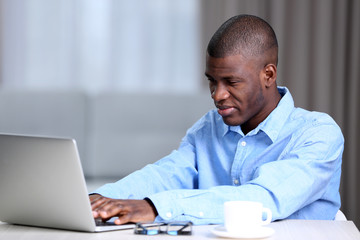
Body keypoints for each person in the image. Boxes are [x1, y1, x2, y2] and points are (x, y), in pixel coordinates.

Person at [90, 14, 344, 225]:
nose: (218, 95)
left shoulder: (318, 134)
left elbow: (264, 198)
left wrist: (155, 208)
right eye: (212, 81)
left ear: (268, 74)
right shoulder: (209, 126)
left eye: (232, 82)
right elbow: (167, 174)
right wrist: (101, 199)